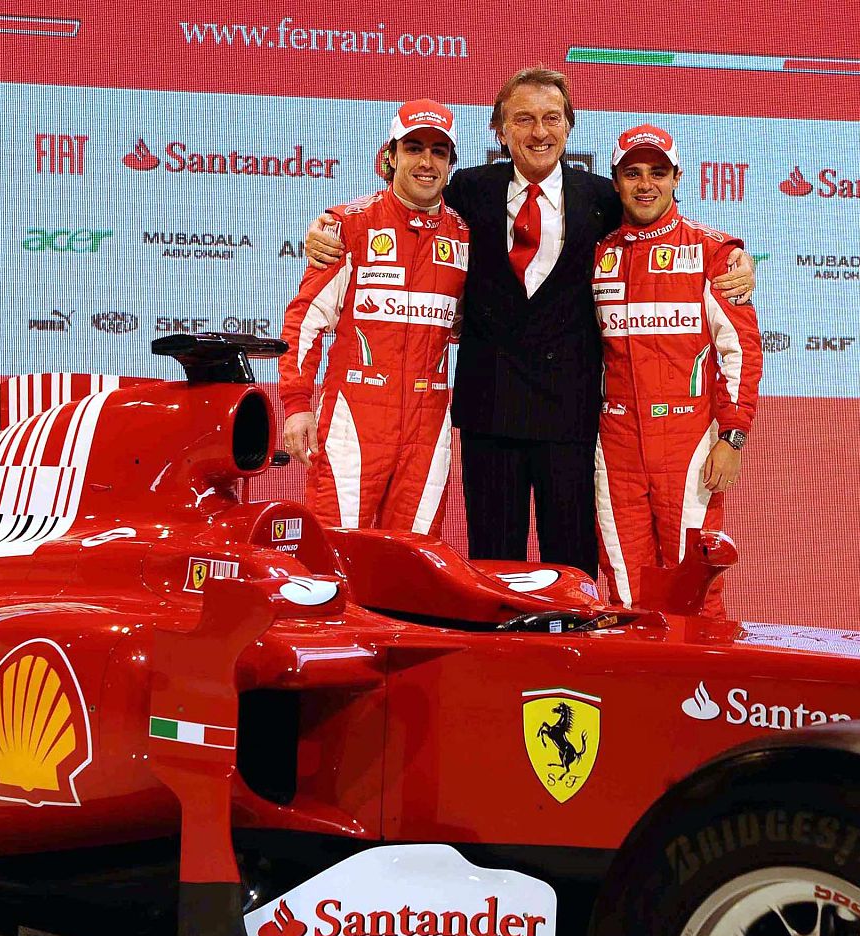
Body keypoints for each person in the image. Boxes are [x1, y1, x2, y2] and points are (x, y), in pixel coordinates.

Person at [303, 67, 755, 579]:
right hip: (489, 413)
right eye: (523, 119)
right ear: (500, 130)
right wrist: (326, 225)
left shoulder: (603, 200)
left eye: (551, 119)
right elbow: (405, 202)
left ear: (568, 128)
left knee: (574, 568)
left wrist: (735, 258)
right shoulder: (468, 189)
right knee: (494, 569)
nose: (539, 132)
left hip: (572, 417)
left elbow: (663, 227)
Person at [591, 124, 762, 617]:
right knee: (624, 582)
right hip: (617, 440)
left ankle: (697, 693)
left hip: (687, 440)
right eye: (633, 173)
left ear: (677, 178)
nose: (646, 184)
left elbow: (740, 354)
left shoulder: (715, 254)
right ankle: (633, 689)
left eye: (658, 173)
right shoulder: (598, 253)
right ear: (616, 182)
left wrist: (732, 439)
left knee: (695, 585)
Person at [278, 98, 468, 535]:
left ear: (451, 164)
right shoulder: (350, 226)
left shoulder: (466, 237)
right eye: (414, 148)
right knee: (339, 551)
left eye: (438, 152)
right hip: (354, 416)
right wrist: (295, 407)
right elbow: (306, 321)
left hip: (428, 421)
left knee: (414, 560)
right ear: (391, 155)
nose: (426, 161)